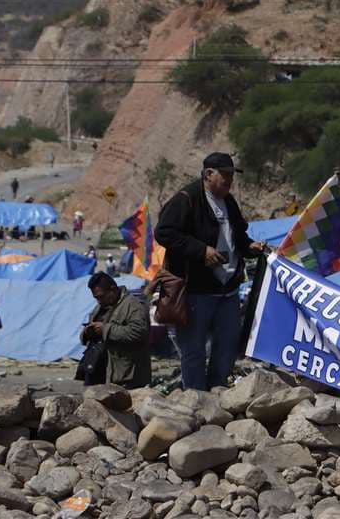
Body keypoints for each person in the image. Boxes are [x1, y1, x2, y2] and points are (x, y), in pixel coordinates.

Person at [155, 152, 265, 391]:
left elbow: (237, 237)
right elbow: (164, 233)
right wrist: (201, 250)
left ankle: (216, 397)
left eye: (231, 176)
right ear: (208, 174)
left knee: (226, 350)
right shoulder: (187, 199)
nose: (229, 181)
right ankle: (195, 399)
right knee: (193, 351)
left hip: (228, 290)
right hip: (196, 291)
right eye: (224, 175)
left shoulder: (228, 201)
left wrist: (249, 247)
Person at [81, 272, 151, 388]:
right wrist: (87, 333)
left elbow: (138, 333)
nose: (99, 301)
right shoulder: (100, 307)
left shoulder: (134, 306)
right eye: (96, 297)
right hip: (100, 373)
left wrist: (105, 330)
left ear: (112, 289)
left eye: (101, 296)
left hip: (126, 375)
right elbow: (90, 328)